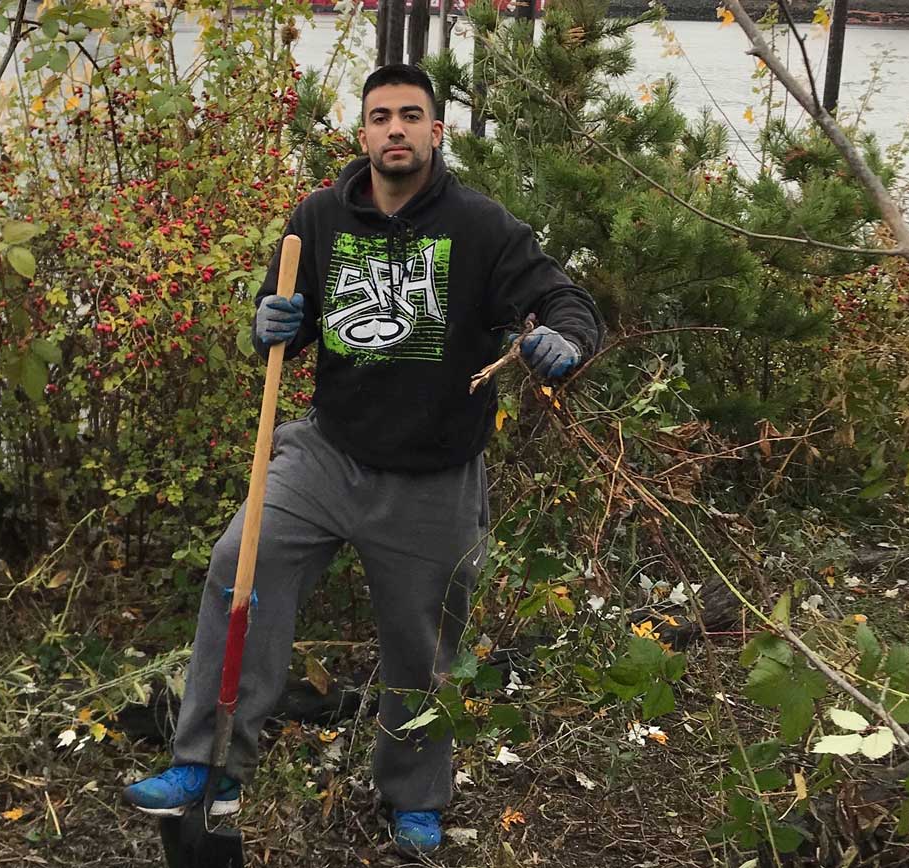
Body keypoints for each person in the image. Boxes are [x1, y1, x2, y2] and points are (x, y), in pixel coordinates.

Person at [122, 63, 604, 856]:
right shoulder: (318, 217)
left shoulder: (482, 228)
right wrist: (271, 323)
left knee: (423, 646)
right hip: (327, 454)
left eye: (411, 116)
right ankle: (209, 764)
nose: (395, 130)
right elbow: (292, 319)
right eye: (381, 116)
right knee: (240, 565)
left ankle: (413, 797)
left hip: (434, 476)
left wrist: (566, 340)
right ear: (363, 134)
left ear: (435, 131)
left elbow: (565, 301)